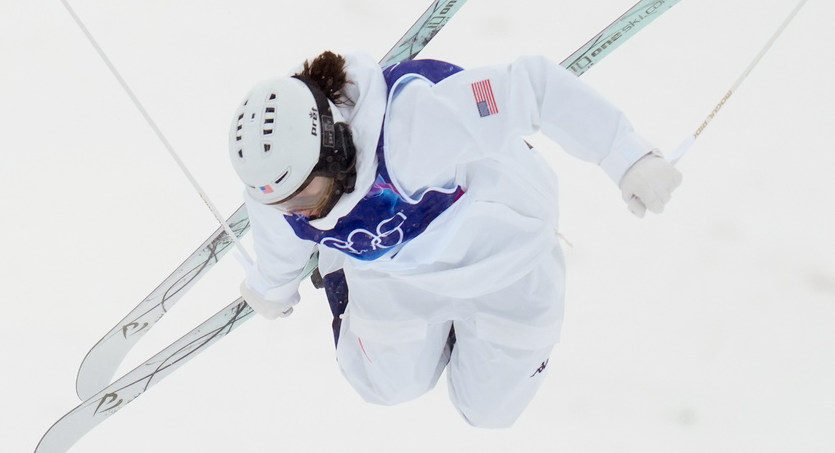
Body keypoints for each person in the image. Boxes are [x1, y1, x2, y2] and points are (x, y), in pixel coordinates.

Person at [228, 50, 681, 428]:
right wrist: (273, 285)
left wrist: (628, 158)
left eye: (306, 193)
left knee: (488, 412)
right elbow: (278, 234)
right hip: (393, 278)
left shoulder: (416, 130)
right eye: (286, 204)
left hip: (505, 259)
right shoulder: (277, 190)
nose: (301, 212)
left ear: (335, 144)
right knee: (384, 386)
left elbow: (532, 88)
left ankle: (460, 338)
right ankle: (341, 273)